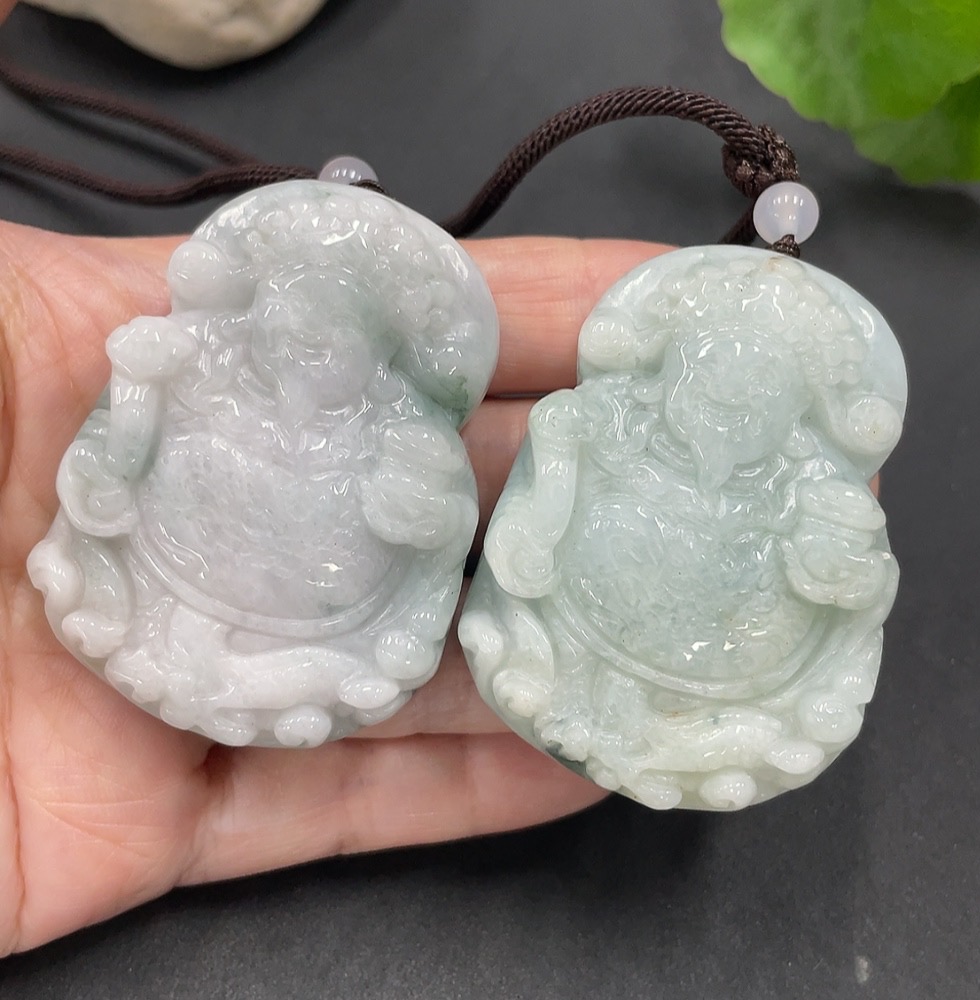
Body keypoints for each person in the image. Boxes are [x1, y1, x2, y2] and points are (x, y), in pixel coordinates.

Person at [0, 184, 669, 952]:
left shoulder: (405, 435)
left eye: (328, 339)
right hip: (168, 584)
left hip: (324, 622)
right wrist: (137, 397)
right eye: (282, 324)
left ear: (379, 355)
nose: (297, 349)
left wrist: (422, 517)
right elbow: (111, 476)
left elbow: (433, 544)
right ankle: (197, 654)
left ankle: (244, 669)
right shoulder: (197, 374)